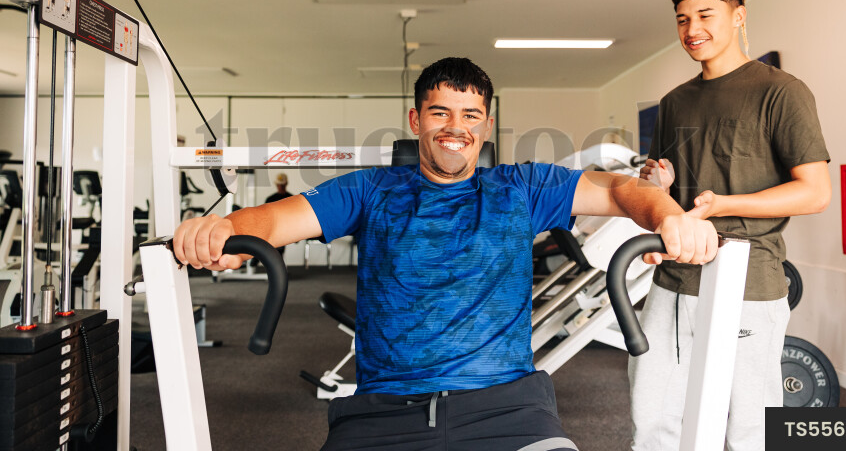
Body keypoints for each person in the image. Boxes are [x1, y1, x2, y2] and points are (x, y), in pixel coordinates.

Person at [175, 57, 719, 451]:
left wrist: (668, 216)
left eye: (470, 115)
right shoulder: (370, 190)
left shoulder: (522, 188)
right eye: (440, 113)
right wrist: (226, 232)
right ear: (417, 122)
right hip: (383, 414)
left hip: (509, 409)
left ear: (485, 125)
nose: (455, 128)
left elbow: (621, 188)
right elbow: (276, 219)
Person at [631, 0, 831, 451]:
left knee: (749, 427)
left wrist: (723, 204)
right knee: (652, 416)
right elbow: (665, 194)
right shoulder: (674, 102)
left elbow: (815, 192)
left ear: (739, 16)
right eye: (683, 19)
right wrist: (659, 187)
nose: (692, 29)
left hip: (748, 278)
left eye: (706, 15)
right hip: (675, 275)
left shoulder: (780, 92)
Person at [264, 173, 292, 256]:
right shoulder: (270, 199)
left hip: (285, 230)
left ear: (286, 184)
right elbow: (265, 217)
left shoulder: (291, 199)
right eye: (280, 185)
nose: (281, 187)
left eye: (282, 185)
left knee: (277, 253)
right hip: (272, 230)